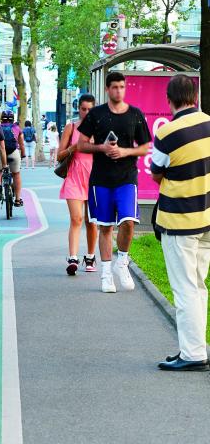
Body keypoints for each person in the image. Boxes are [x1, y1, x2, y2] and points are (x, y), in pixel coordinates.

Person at [151, 75, 210, 371]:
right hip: (207, 217)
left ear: (170, 99)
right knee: (199, 286)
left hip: (179, 221)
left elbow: (156, 173)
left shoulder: (168, 133)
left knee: (185, 288)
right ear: (195, 96)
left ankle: (193, 353)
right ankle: (196, 346)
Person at [77, 71, 152, 293]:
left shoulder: (135, 115)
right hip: (101, 179)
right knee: (106, 227)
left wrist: (124, 151)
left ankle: (123, 261)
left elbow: (145, 146)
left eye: (122, 87)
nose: (119, 91)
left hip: (127, 177)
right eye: (115, 87)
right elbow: (81, 144)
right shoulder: (96, 114)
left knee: (128, 222)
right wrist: (101, 148)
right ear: (108, 89)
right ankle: (106, 274)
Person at [57, 94, 98, 275]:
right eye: (83, 109)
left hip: (95, 178)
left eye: (90, 109)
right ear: (79, 109)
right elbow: (59, 156)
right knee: (76, 219)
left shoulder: (100, 128)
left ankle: (90, 256)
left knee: (91, 222)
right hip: (74, 177)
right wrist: (74, 147)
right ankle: (73, 258)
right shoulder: (71, 127)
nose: (87, 112)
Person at [0, 111, 26, 206]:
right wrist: (23, 154)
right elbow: (22, 144)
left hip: (0, 154)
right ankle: (18, 199)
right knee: (16, 174)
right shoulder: (16, 128)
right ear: (12, 119)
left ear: (1, 118)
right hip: (13, 153)